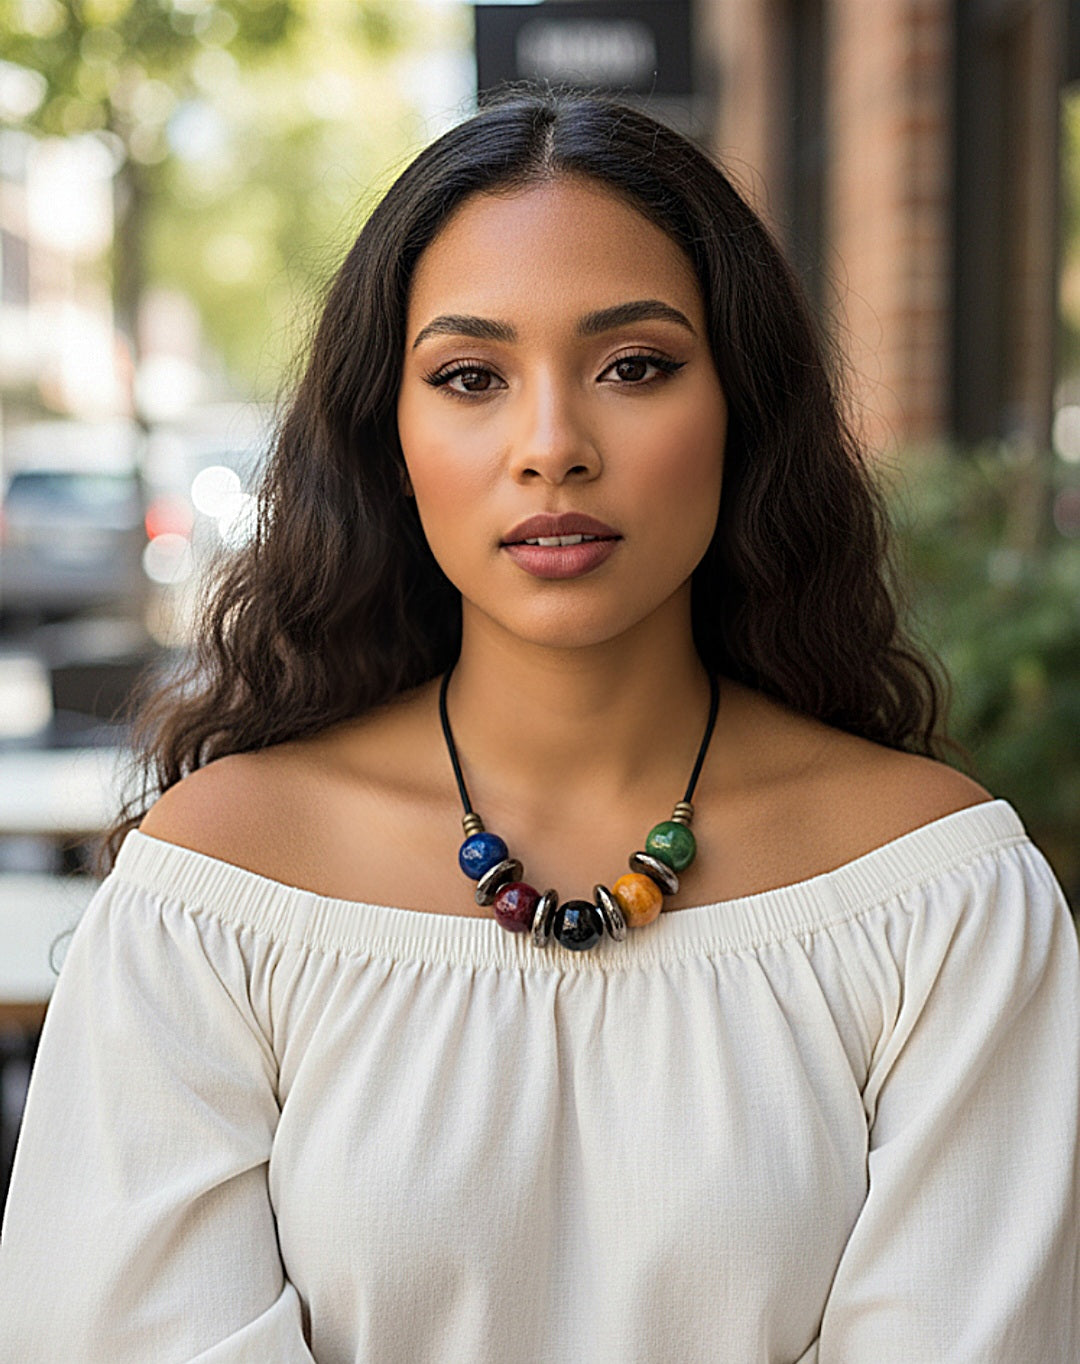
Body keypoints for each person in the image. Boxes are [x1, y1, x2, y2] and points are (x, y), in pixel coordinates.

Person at [1, 84, 1077, 1363]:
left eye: (636, 365)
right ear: (388, 436)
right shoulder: (218, 890)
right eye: (470, 376)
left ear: (741, 408)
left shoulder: (941, 897)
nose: (553, 444)